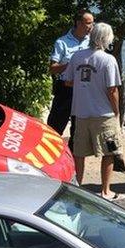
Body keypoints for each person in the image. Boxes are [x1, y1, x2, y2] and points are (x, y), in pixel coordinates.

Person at [63, 22, 125, 200]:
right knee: (109, 152)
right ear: (107, 39)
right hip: (103, 114)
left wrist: (85, 86)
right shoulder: (108, 60)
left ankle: (78, 189)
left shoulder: (77, 57)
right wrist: (116, 112)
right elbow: (112, 90)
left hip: (81, 113)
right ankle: (105, 191)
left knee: (79, 153)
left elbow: (67, 80)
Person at [47, 10, 94, 149]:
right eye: (88, 23)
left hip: (84, 88)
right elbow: (52, 68)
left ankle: (74, 160)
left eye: (92, 22)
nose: (91, 26)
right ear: (78, 23)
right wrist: (72, 64)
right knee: (55, 125)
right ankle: (49, 153)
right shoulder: (62, 42)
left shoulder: (92, 42)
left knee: (78, 129)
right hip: (65, 88)